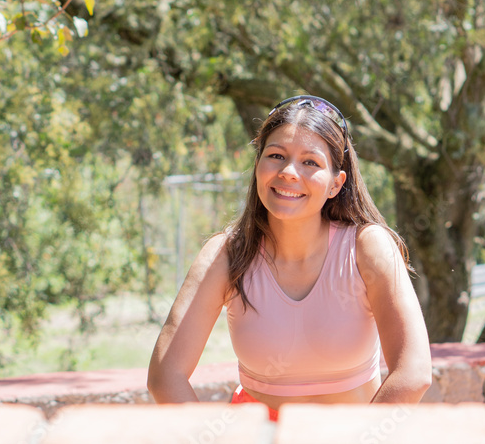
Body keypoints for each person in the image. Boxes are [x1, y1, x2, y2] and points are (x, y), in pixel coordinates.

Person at [147, 95, 432, 420]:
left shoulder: (367, 248)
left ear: (336, 184)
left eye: (310, 162)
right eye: (276, 156)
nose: (288, 172)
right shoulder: (225, 255)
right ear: (257, 166)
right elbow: (165, 375)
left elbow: (414, 373)